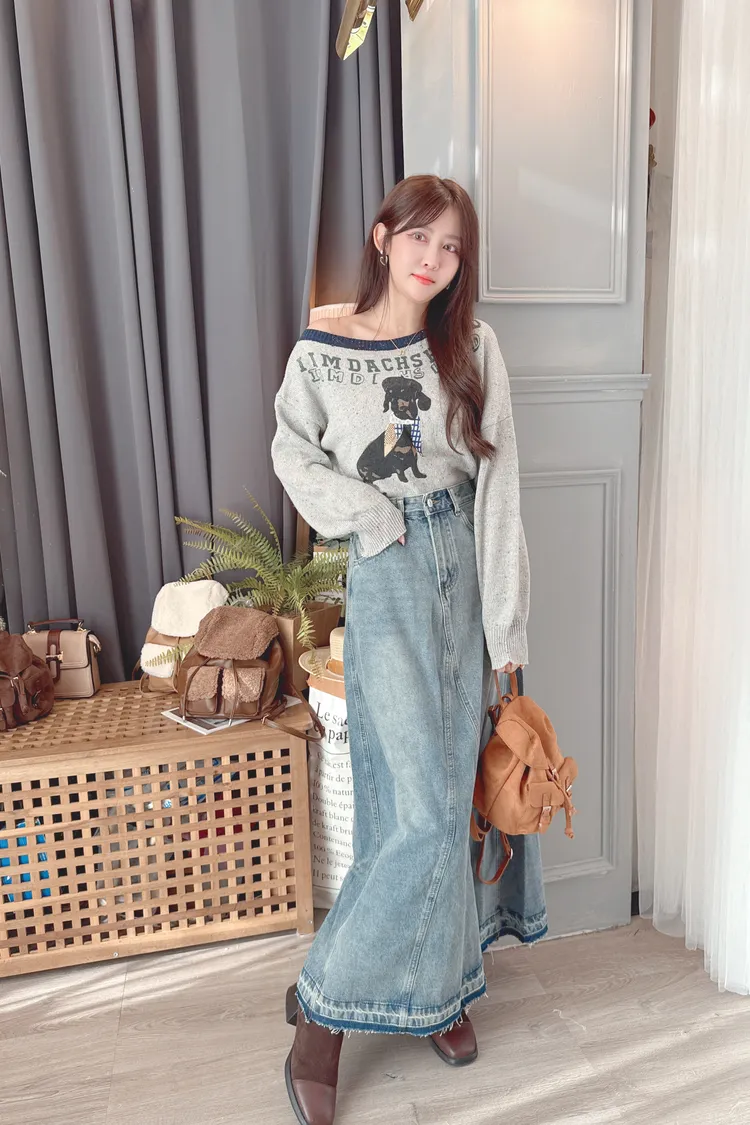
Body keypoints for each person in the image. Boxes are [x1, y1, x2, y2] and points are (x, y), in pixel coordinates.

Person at [271, 174, 547, 1125]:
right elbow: (292, 451)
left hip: (463, 562)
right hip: (387, 565)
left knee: (455, 793)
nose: (435, 259)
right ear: (384, 238)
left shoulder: (473, 347)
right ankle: (322, 1019)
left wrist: (507, 630)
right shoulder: (326, 345)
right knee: (415, 809)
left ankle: (442, 987)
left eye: (453, 246)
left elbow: (500, 489)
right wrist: (367, 515)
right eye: (420, 238)